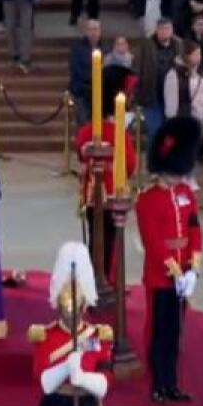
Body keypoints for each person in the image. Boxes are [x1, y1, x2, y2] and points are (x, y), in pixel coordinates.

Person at [28, 241, 113, 406]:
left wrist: (83, 378)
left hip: (86, 405)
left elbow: (106, 381)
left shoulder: (98, 336)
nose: (72, 316)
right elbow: (43, 380)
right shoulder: (44, 335)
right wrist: (66, 368)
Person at [135, 116, 202, 403]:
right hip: (161, 277)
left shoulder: (186, 193)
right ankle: (157, 383)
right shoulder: (147, 199)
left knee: (175, 334)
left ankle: (172, 383)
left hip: (183, 275)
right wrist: (175, 272)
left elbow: (194, 230)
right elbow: (153, 242)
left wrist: (193, 270)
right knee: (158, 332)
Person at [74, 68, 137, 284]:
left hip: (92, 196)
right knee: (111, 242)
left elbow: (82, 159)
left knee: (95, 240)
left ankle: (94, 280)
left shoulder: (85, 131)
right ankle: (107, 282)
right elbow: (129, 165)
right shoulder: (121, 134)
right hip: (113, 194)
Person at [134, 17, 184, 144]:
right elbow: (137, 69)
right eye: (161, 29)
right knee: (154, 132)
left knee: (172, 132)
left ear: (172, 30)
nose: (164, 31)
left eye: (167, 28)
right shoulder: (146, 45)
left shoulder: (180, 45)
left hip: (174, 97)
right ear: (156, 30)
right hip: (151, 95)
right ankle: (154, 161)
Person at [161, 39, 203, 131]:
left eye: (199, 54)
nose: (198, 57)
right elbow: (171, 101)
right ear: (186, 55)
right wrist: (172, 121)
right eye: (195, 54)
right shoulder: (174, 74)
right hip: (186, 120)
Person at [67, 19, 109, 126]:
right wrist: (92, 79)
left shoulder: (106, 48)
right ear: (86, 31)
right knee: (84, 124)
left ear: (100, 31)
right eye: (90, 29)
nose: (93, 32)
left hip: (101, 93)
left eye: (95, 29)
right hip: (82, 92)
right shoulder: (77, 48)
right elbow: (76, 69)